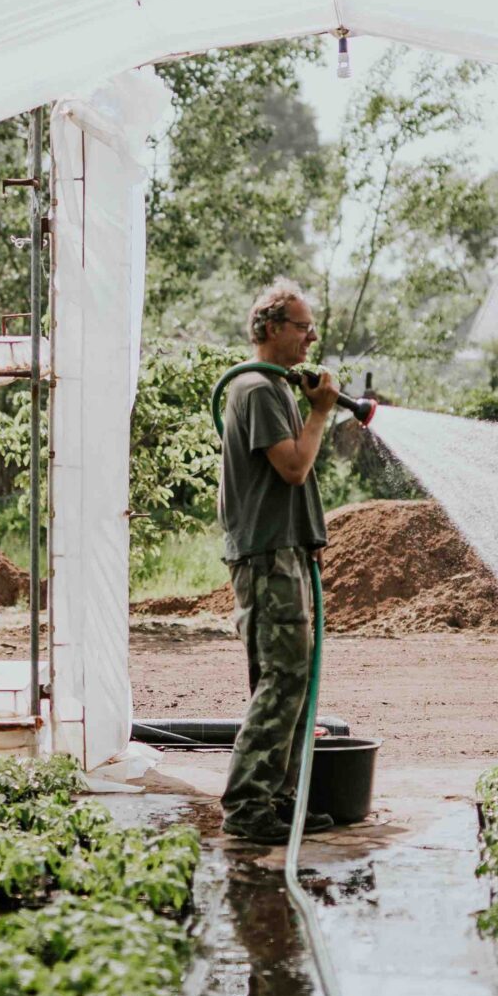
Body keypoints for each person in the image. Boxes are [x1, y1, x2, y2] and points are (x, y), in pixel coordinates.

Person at [216, 277, 340, 843]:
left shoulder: (275, 388)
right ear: (270, 329)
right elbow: (293, 467)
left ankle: (280, 801)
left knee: (293, 682)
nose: (310, 337)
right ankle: (248, 807)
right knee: (282, 679)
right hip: (268, 558)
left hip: (282, 552)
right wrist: (321, 414)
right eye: (302, 326)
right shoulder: (258, 389)